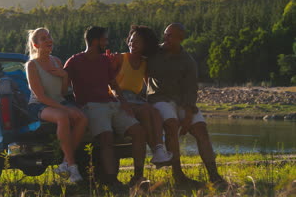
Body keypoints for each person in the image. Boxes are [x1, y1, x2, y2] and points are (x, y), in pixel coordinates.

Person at [64, 26, 148, 188]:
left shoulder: (104, 61)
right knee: (106, 138)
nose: (107, 42)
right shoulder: (74, 61)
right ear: (95, 41)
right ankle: (111, 180)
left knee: (138, 132)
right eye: (105, 39)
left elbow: (114, 85)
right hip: (91, 106)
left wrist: (124, 105)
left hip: (112, 104)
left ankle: (138, 177)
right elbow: (64, 86)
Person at [147, 23, 227, 188]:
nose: (166, 38)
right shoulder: (154, 53)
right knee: (171, 124)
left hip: (182, 101)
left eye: (171, 36)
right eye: (166, 34)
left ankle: (214, 175)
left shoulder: (188, 61)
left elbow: (191, 88)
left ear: (180, 39)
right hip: (159, 98)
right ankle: (178, 175)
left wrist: (189, 113)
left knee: (200, 129)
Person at [25, 28, 87, 183]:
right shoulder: (31, 65)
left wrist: (64, 75)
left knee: (82, 118)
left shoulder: (57, 61)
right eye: (43, 38)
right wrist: (65, 109)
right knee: (63, 117)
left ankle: (65, 162)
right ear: (35, 44)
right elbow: (40, 96)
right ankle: (72, 167)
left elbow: (62, 91)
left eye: (49, 37)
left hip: (58, 101)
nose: (48, 40)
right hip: (39, 105)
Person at [109, 25, 173, 168]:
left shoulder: (144, 63)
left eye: (137, 41)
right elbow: (110, 84)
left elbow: (148, 84)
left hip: (135, 98)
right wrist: (124, 102)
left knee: (155, 112)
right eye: (131, 41)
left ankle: (158, 149)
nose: (132, 44)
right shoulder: (120, 58)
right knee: (145, 111)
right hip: (118, 97)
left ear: (145, 45)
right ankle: (157, 152)